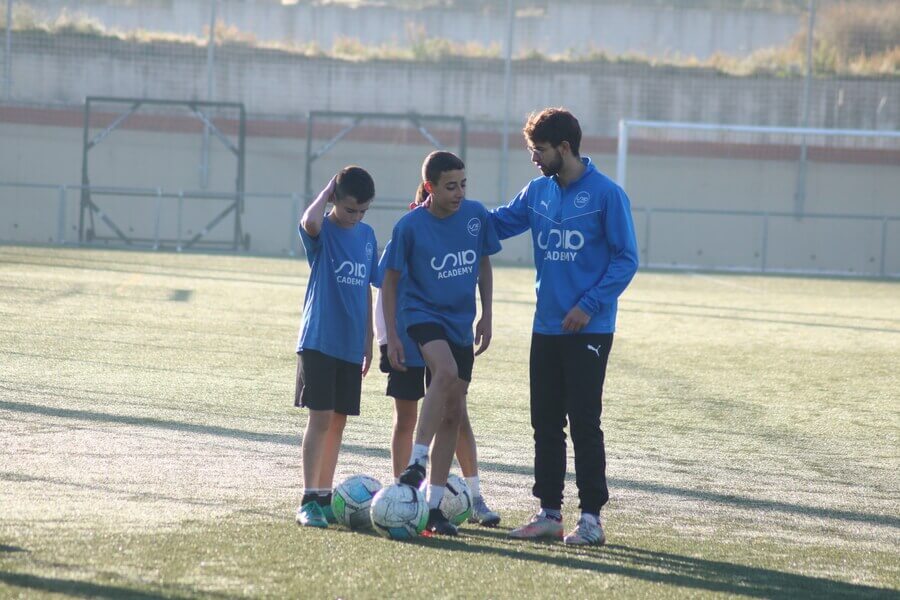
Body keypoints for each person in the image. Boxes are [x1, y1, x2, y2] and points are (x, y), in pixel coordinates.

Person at [490, 108, 639, 546]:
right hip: (546, 328)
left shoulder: (607, 195)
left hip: (588, 330)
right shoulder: (537, 192)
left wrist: (589, 305)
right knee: (546, 422)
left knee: (584, 422)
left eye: (539, 151)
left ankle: (591, 518)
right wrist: (450, 211)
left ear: (565, 148)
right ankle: (550, 513)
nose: (534, 159)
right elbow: (498, 223)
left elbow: (626, 258)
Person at [382, 151, 501, 535]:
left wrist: (487, 313)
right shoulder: (410, 226)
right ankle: (417, 461)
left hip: (460, 323)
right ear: (430, 188)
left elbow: (483, 262)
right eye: (451, 186)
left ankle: (433, 509)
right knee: (445, 372)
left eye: (464, 184)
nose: (460, 193)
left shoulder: (476, 216)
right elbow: (390, 280)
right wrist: (392, 335)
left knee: (454, 412)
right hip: (422, 315)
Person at [294, 166, 379, 528]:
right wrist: (329, 189)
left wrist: (369, 339)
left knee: (339, 422)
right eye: (349, 209)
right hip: (319, 338)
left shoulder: (368, 235)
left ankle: (326, 497)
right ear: (334, 200)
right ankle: (308, 500)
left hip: (349, 342)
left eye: (362, 211)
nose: (356, 217)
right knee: (321, 418)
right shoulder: (324, 229)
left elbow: (367, 288)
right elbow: (308, 220)